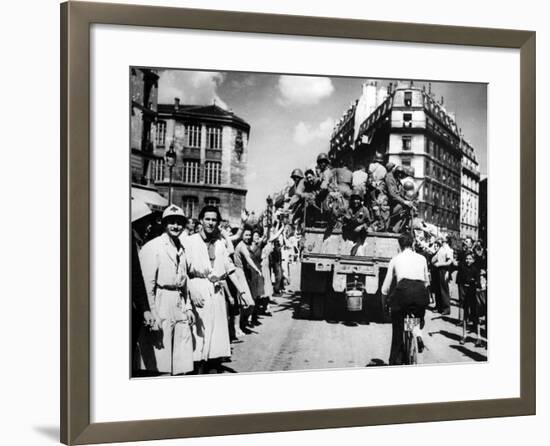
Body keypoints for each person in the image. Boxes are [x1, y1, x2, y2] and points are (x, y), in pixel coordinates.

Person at [138, 205, 195, 375]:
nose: (176, 226)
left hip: (178, 301)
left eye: (179, 223)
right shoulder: (153, 247)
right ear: (164, 224)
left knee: (181, 357)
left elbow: (184, 283)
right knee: (160, 358)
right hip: (161, 300)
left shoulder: (182, 248)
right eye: (172, 222)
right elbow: (147, 285)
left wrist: (188, 307)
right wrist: (152, 314)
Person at [183, 205, 234, 373]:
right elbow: (183, 271)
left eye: (214, 220)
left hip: (216, 291)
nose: (211, 223)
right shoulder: (190, 241)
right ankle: (196, 369)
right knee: (198, 333)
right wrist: (191, 291)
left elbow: (228, 267)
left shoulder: (219, 243)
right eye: (208, 219)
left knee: (216, 333)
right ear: (201, 220)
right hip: (197, 289)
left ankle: (211, 366)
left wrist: (242, 292)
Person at [381, 232, 430, 365]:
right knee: (415, 317)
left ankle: (394, 361)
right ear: (413, 243)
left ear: (399, 246)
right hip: (420, 293)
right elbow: (427, 282)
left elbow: (385, 288)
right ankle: (418, 335)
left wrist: (384, 304)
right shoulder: (422, 258)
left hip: (403, 293)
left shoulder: (395, 259)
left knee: (397, 328)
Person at [456, 252, 483, 346]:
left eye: (470, 259)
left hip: (473, 294)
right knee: (465, 316)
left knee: (475, 315)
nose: (468, 260)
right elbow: (459, 281)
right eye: (466, 258)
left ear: (474, 260)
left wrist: (474, 283)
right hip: (465, 294)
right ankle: (464, 335)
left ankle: (479, 337)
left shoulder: (475, 269)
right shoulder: (462, 268)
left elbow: (478, 284)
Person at [385, 164, 415, 232]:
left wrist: (408, 201)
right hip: (387, 201)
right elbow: (392, 194)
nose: (400, 176)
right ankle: (388, 227)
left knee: (406, 209)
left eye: (401, 174)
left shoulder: (397, 180)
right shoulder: (390, 178)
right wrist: (404, 202)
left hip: (393, 201)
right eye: (399, 173)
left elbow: (401, 192)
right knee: (401, 206)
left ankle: (396, 229)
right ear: (396, 172)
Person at [431, 235, 454, 315]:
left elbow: (449, 262)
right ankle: (439, 307)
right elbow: (436, 257)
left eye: (444, 237)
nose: (441, 237)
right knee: (438, 289)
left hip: (444, 270)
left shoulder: (448, 249)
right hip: (438, 270)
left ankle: (446, 308)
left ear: (447, 240)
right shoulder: (441, 248)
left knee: (444, 289)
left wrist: (440, 264)